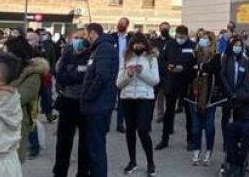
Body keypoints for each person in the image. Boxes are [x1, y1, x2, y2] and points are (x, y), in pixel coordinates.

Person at [115, 32, 160, 175]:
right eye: (135, 44)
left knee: (143, 130)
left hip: (145, 98)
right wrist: (129, 75)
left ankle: (150, 162)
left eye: (141, 44)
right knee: (130, 130)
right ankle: (132, 160)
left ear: (145, 45)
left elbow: (155, 80)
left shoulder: (151, 58)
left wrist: (141, 73)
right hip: (127, 98)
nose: (138, 46)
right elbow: (119, 83)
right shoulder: (125, 57)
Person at [80, 23, 119, 177]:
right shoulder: (98, 48)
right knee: (93, 147)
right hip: (96, 105)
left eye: (85, 34)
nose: (85, 37)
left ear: (92, 33)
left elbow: (102, 76)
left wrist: (87, 96)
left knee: (96, 150)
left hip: (98, 106)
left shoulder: (104, 48)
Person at [53, 29, 90, 177]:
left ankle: (82, 172)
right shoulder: (67, 52)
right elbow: (59, 72)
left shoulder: (93, 53)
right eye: (75, 38)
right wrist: (75, 74)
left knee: (85, 141)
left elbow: (88, 75)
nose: (78, 41)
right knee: (63, 140)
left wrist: (73, 74)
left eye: (81, 38)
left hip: (85, 101)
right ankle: (60, 172)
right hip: (68, 100)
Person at [5, 37, 48, 163]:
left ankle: (34, 147)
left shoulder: (32, 75)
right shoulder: (7, 70)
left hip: (19, 121)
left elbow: (19, 98)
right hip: (2, 121)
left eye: (8, 52)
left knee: (13, 163)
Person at [186, 31, 224, 167]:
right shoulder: (194, 54)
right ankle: (196, 152)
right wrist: (201, 69)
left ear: (211, 41)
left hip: (210, 96)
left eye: (206, 38)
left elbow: (214, 68)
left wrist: (200, 67)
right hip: (194, 96)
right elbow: (189, 71)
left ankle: (208, 152)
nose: (203, 40)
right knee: (196, 127)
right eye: (202, 38)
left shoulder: (216, 55)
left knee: (209, 127)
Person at [157, 25, 195, 151]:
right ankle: (164, 138)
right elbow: (162, 60)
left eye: (182, 37)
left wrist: (184, 69)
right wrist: (168, 66)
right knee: (169, 112)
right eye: (178, 36)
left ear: (186, 35)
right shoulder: (170, 44)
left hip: (186, 83)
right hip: (171, 82)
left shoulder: (192, 46)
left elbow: (195, 65)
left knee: (189, 113)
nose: (180, 39)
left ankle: (190, 139)